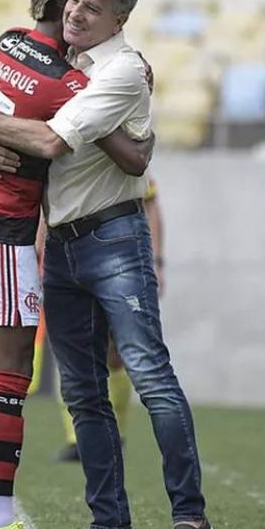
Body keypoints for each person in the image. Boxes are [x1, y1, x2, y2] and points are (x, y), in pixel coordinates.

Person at [0, 0, 213, 529]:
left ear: (120, 18)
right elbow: (21, 109)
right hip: (61, 242)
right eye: (74, 0)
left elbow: (45, 138)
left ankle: (191, 517)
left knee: (149, 373)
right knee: (81, 391)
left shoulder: (122, 71)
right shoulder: (62, 61)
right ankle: (110, 527)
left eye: (92, 7)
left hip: (115, 239)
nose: (76, 11)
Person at [53, 175, 163, 462]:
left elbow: (150, 203)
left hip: (116, 259)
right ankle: (77, 438)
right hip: (66, 259)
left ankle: (118, 433)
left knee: (116, 353)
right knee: (71, 352)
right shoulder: (60, 154)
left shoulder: (119, 155)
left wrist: (157, 259)